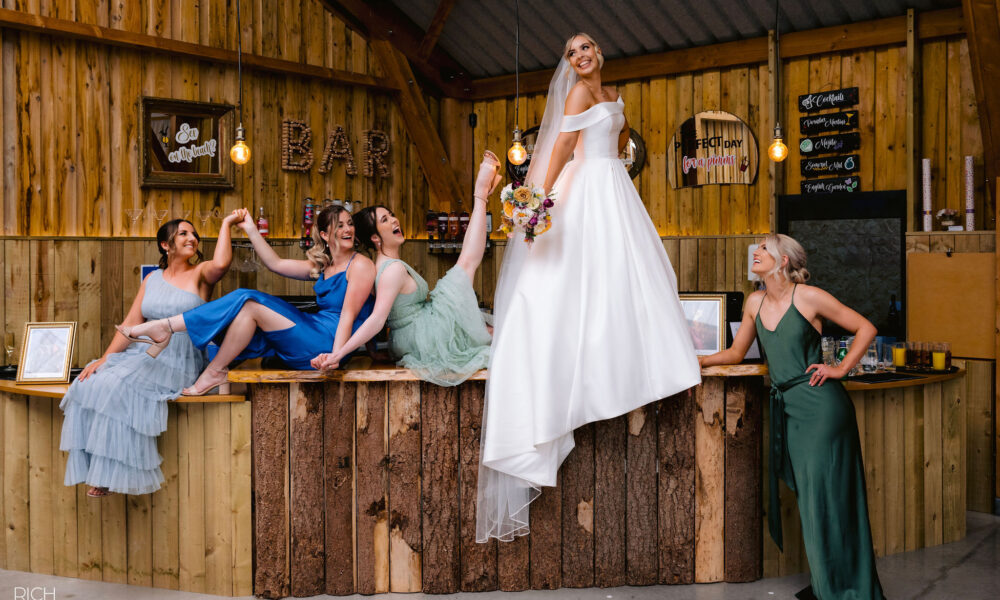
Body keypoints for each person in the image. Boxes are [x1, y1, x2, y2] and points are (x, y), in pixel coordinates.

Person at [476, 33, 702, 542]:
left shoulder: (612, 93)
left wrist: (614, 163)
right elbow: (558, 146)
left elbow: (618, 144)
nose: (581, 55)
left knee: (630, 274)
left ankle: (627, 359)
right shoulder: (577, 95)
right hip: (585, 188)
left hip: (613, 186)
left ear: (599, 53)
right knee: (574, 279)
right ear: (568, 63)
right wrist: (537, 200)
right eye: (572, 51)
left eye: (588, 47)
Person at [699, 234, 885, 600]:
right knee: (812, 501)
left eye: (765, 249)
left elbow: (867, 328)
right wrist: (697, 361)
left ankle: (844, 590)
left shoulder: (809, 296)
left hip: (822, 408)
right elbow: (737, 353)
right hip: (789, 409)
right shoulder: (754, 302)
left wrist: (840, 368)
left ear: (784, 260)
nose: (757, 253)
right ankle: (828, 586)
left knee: (827, 499)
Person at [60, 213, 244, 497]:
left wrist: (227, 224)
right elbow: (130, 325)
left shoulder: (201, 274)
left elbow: (221, 263)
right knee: (90, 382)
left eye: (194, 234)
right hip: (144, 355)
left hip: (179, 359)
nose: (191, 238)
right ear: (165, 244)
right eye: (183, 233)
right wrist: (105, 358)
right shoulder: (152, 280)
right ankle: (97, 469)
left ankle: (107, 476)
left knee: (116, 386)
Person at [120, 204, 376, 395]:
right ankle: (213, 371)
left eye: (350, 223)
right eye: (340, 225)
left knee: (248, 299)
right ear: (324, 234)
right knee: (245, 313)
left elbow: (348, 317)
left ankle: (167, 327)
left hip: (329, 344)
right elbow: (275, 264)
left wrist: (335, 357)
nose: (348, 229)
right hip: (315, 333)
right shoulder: (323, 266)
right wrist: (251, 229)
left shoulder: (360, 266)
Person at [310, 151, 504, 386]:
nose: (394, 220)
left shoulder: (376, 267)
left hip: (410, 335)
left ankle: (482, 196)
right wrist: (338, 355)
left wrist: (372, 352)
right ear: (375, 238)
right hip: (421, 334)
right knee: (464, 268)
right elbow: (377, 319)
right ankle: (481, 195)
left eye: (391, 215)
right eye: (384, 220)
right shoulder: (391, 270)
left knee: (490, 331)